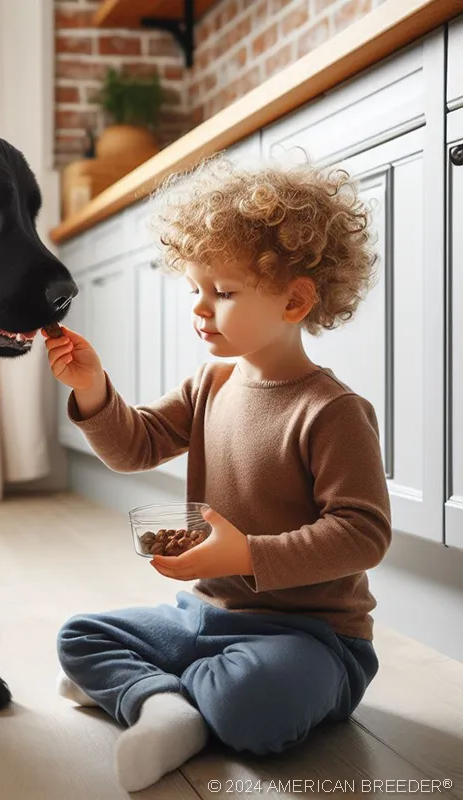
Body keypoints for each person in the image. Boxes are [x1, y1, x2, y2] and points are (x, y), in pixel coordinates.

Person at [42, 154, 392, 793]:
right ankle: (172, 706)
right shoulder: (211, 383)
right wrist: (92, 390)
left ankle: (157, 696)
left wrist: (250, 554)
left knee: (256, 702)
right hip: (204, 614)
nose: (201, 309)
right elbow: (137, 445)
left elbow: (363, 534)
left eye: (223, 293)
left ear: (295, 299)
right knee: (79, 637)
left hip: (313, 639)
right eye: (196, 289)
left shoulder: (333, 412)